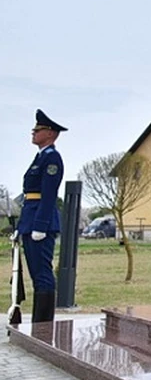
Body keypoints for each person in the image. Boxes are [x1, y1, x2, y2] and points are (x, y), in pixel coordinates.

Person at [17, 109, 67, 323]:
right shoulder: (40, 157)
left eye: (38, 130)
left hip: (41, 222)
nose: (33, 133)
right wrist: (22, 226)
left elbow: (48, 195)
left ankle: (43, 324)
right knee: (36, 275)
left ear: (50, 133)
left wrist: (40, 225)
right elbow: (29, 196)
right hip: (31, 219)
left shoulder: (52, 158)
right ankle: (39, 322)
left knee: (42, 273)